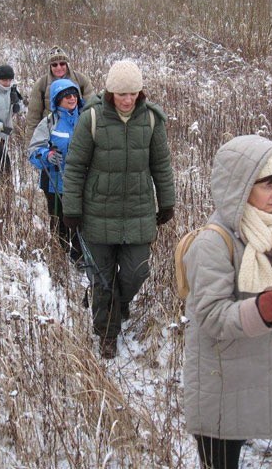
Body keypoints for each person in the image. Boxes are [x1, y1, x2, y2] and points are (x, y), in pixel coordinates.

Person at [182, 135, 272, 469]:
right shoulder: (212, 243)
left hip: (253, 371)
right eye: (267, 185)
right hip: (218, 378)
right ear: (241, 186)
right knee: (220, 460)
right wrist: (258, 310)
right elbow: (211, 315)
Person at [62, 60, 176, 359]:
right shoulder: (92, 119)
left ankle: (119, 304)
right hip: (98, 211)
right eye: (122, 94)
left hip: (138, 211)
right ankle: (107, 333)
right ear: (110, 92)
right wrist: (71, 208)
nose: (128, 100)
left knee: (136, 272)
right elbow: (74, 167)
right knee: (102, 278)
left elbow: (161, 165)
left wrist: (167, 201)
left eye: (133, 93)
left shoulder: (151, 120)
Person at [27, 79, 84, 263]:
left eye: (74, 94)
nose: (72, 98)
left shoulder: (85, 118)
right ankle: (59, 255)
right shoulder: (49, 122)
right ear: (57, 99)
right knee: (59, 221)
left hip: (81, 181)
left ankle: (79, 257)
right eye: (67, 95)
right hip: (54, 181)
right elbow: (33, 151)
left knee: (80, 220)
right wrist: (47, 155)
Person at [26, 46, 94, 132]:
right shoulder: (41, 84)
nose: (59, 67)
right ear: (50, 66)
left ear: (67, 64)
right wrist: (32, 142)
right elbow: (33, 117)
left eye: (62, 64)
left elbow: (91, 106)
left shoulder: (80, 79)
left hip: (77, 129)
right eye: (54, 65)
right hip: (51, 131)